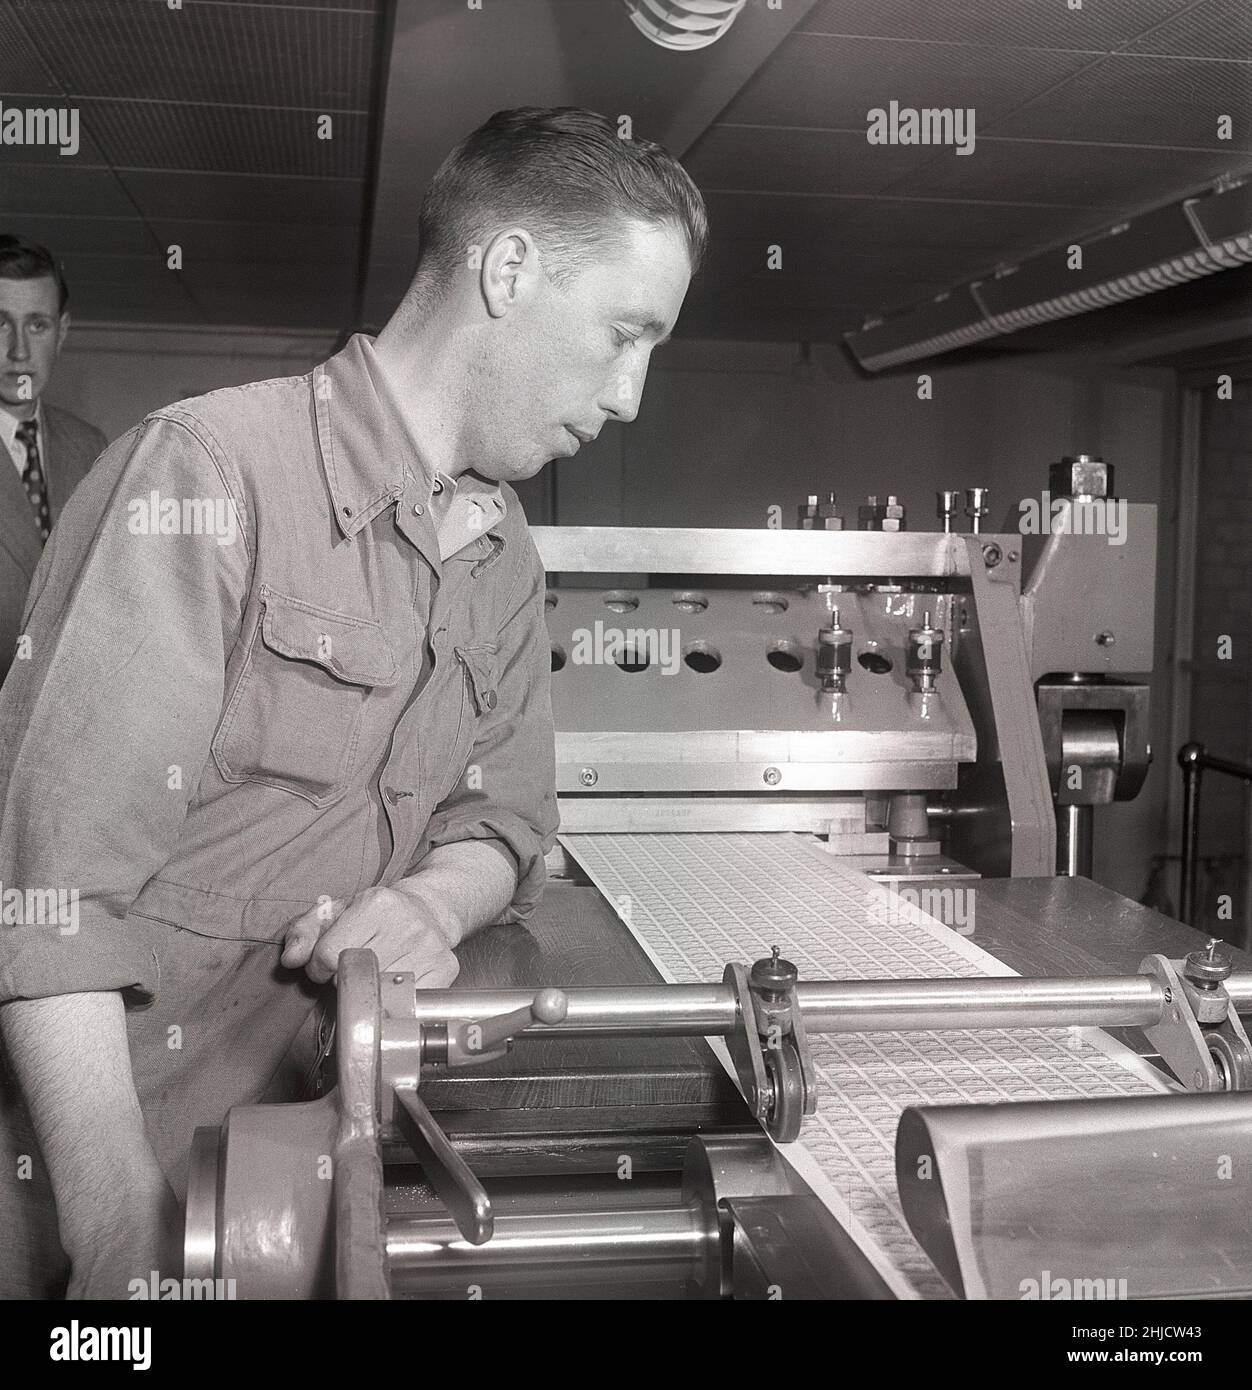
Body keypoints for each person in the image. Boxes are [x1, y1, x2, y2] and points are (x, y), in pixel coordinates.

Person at [0, 106, 705, 1298]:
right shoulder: (208, 480)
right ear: (510, 268)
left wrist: (435, 899)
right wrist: (120, 1241)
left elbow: (513, 822)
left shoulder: (502, 551)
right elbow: (49, 902)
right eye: (624, 335)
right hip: (107, 1203)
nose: (632, 395)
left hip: (304, 1182)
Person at [0, 236, 108, 684]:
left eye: (37, 325)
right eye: (0, 323)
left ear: (61, 332)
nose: (19, 351)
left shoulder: (90, 447)